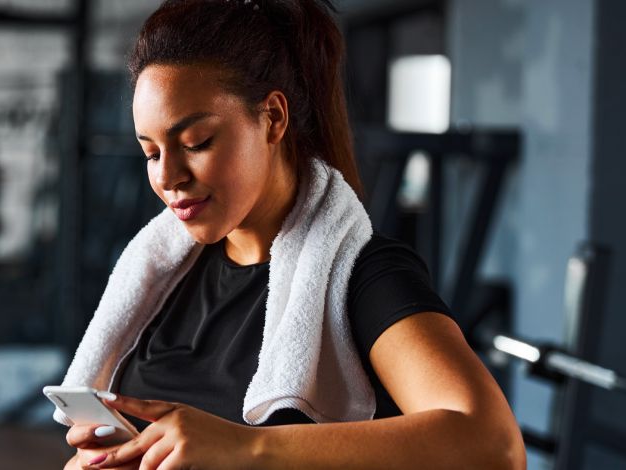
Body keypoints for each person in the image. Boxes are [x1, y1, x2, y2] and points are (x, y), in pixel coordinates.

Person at [59, 0, 526, 468]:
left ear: (273, 118)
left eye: (195, 143)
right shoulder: (161, 276)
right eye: (151, 153)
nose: (169, 176)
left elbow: (493, 447)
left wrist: (247, 447)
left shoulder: (362, 276)